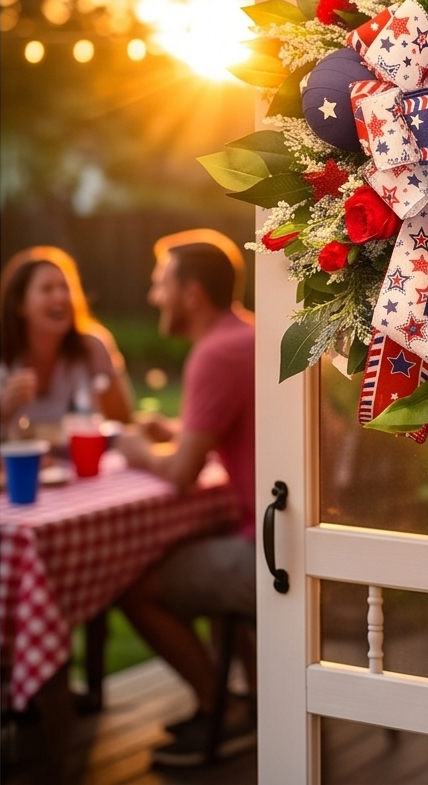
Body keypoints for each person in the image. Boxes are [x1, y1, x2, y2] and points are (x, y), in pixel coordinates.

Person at [115, 230, 257, 767]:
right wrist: (174, 426)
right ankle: (251, 701)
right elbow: (226, 426)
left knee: (133, 584)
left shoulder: (214, 354)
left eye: (160, 285)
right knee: (203, 547)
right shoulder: (248, 334)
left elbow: (179, 475)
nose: (154, 298)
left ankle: (223, 711)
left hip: (271, 555)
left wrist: (133, 449)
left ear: (191, 293)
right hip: (290, 535)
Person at [0, 246, 132, 439]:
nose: (60, 297)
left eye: (65, 287)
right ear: (20, 304)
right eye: (47, 289)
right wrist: (3, 407)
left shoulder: (92, 347)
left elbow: (123, 422)